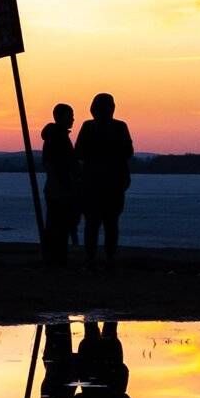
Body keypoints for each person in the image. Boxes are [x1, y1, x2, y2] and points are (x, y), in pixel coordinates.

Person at [74, 92, 133, 269]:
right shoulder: (114, 127)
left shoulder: (114, 126)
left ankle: (100, 256)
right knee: (103, 222)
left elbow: (79, 152)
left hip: (104, 183)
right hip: (101, 183)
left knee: (103, 222)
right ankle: (101, 256)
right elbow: (79, 152)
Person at [41, 103, 78, 265]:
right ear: (61, 117)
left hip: (57, 186)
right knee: (59, 224)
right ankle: (57, 258)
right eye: (70, 116)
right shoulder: (58, 138)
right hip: (59, 187)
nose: (73, 119)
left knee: (57, 223)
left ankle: (56, 257)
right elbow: (55, 164)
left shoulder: (57, 136)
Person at [38, 322, 77, 398]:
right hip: (54, 360)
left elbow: (63, 382)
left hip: (59, 360)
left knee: (59, 327)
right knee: (54, 330)